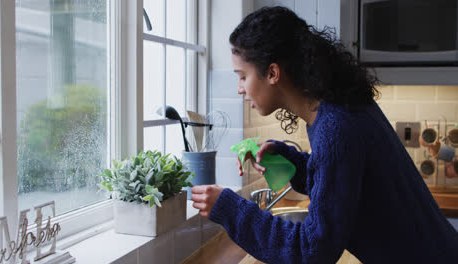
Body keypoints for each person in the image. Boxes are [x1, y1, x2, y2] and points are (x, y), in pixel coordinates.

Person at [190, 6, 458, 264]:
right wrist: (287, 160)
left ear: (272, 72)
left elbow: (313, 250)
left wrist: (230, 209)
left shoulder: (336, 126)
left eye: (242, 76)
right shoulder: (336, 109)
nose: (240, 88)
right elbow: (342, 184)